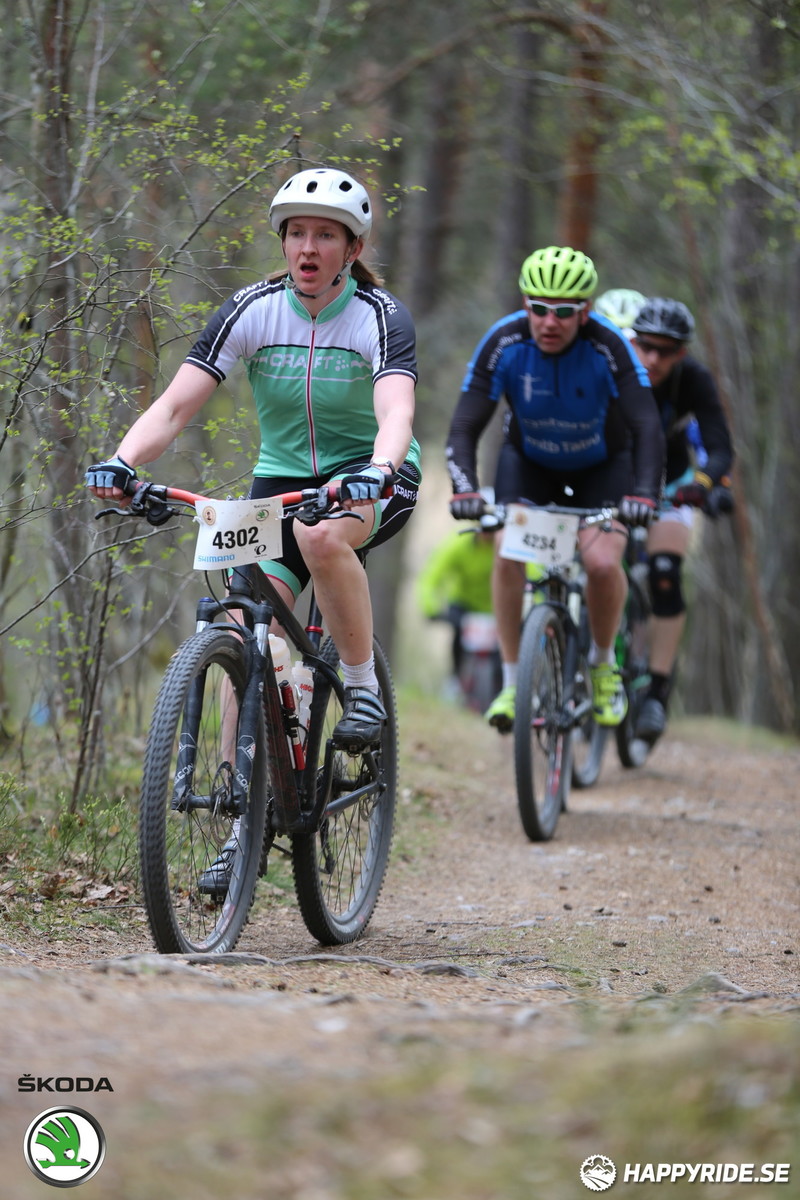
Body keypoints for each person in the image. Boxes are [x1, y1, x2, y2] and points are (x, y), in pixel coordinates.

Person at [86, 166, 421, 753]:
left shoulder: (379, 314)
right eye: (297, 233)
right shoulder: (252, 308)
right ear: (283, 241)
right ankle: (240, 814)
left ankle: (362, 685)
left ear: (352, 248)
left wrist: (378, 471)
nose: (308, 247)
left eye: (325, 234)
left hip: (373, 473)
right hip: (282, 480)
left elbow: (396, 411)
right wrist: (121, 462)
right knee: (242, 629)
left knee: (321, 540)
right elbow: (172, 409)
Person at [446, 245, 665, 732]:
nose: (549, 321)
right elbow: (464, 426)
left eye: (564, 311)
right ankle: (510, 682)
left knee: (604, 562)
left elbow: (647, 426)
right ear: (525, 304)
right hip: (529, 465)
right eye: (538, 307)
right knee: (506, 552)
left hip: (603, 467)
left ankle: (604, 665)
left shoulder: (610, 346)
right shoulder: (504, 341)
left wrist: (646, 494)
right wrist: (465, 489)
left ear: (585, 311)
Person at [628, 297, 734, 743]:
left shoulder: (694, 381)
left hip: (671, 483)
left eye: (665, 350)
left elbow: (720, 446)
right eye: (646, 346)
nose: (653, 358)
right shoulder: (612, 367)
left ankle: (656, 689)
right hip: (615, 477)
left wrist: (707, 483)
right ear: (632, 341)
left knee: (665, 573)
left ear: (682, 353)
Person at [416, 524, 496, 685]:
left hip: (495, 610)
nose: (487, 535)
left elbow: (532, 575)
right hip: (463, 605)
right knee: (458, 638)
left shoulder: (505, 546)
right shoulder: (458, 544)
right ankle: (455, 680)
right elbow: (432, 575)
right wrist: (430, 607)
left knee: (502, 652)